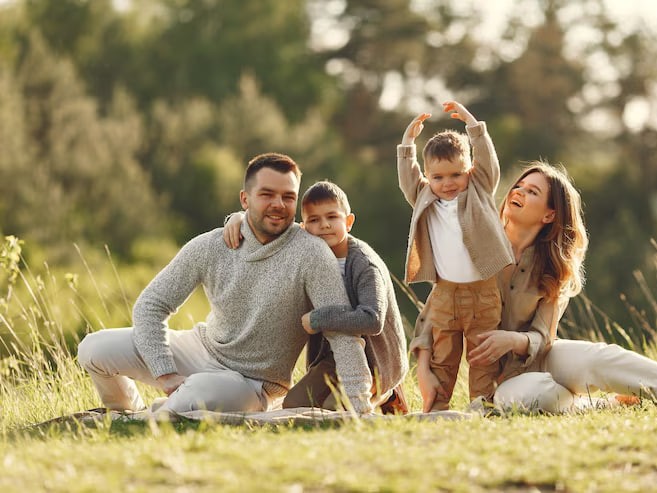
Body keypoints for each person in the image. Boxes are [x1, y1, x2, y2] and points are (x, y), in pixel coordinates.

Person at [77, 153, 374, 415]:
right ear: (245, 199)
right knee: (93, 348)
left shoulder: (312, 253)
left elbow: (342, 333)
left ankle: (159, 415)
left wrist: (361, 406)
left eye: (288, 197)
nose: (278, 205)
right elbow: (150, 305)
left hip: (250, 383)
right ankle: (126, 414)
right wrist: (165, 373)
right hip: (199, 349)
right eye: (267, 194)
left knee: (195, 395)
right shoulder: (211, 244)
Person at [414, 161, 657, 413]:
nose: (518, 191)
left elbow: (543, 337)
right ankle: (595, 405)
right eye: (518, 186)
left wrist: (511, 340)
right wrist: (424, 370)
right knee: (532, 396)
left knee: (597, 357)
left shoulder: (554, 267)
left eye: (532, 191)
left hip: (543, 357)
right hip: (502, 382)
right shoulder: (473, 247)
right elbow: (436, 312)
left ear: (549, 215)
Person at [223, 181, 409, 414]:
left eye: (332, 217)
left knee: (336, 410)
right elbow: (272, 232)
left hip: (374, 361)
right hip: (332, 359)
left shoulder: (364, 264)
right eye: (314, 220)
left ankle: (386, 393)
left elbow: (373, 319)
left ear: (348, 222)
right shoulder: (308, 257)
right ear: (303, 228)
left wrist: (319, 318)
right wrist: (239, 218)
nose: (324, 225)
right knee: (295, 405)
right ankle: (347, 391)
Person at [397, 101, 515, 410]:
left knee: (482, 354)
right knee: (442, 354)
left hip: (484, 291)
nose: (447, 183)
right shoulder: (424, 197)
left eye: (455, 174)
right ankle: (438, 408)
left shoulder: (479, 188)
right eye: (438, 177)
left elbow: (488, 162)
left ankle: (482, 404)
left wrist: (473, 126)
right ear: (427, 176)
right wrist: (407, 144)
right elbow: (408, 178)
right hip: (445, 293)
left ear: (470, 171)